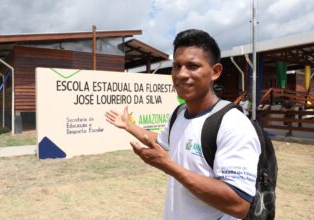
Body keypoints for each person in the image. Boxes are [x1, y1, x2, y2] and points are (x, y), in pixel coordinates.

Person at [105, 29, 261, 220]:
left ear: (215, 72)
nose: (181, 74)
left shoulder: (233, 124)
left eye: (192, 66)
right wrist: (129, 126)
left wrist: (169, 167)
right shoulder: (179, 114)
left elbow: (239, 204)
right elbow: (164, 141)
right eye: (176, 66)